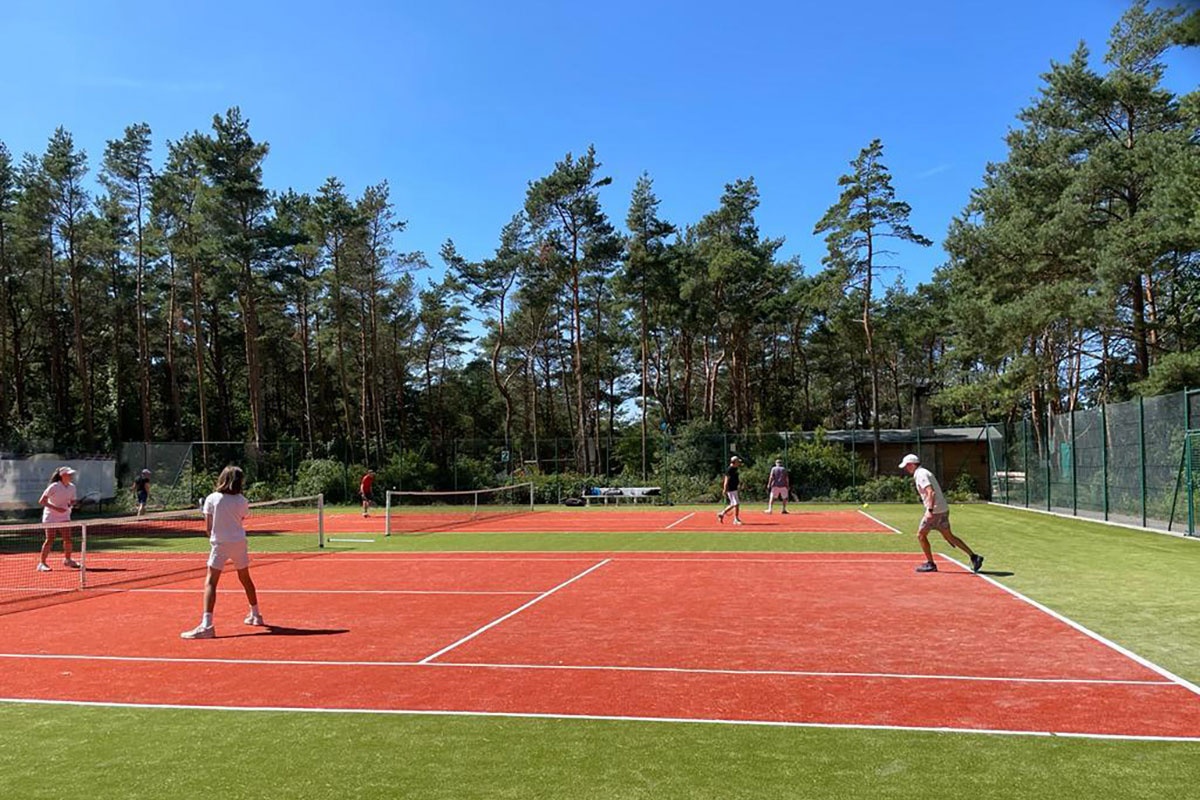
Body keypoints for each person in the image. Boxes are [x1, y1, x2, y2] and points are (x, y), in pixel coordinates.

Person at [181, 465, 265, 639]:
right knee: (245, 578)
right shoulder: (242, 500)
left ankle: (207, 625)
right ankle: (256, 615)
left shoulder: (212, 499)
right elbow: (240, 518)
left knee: (211, 582)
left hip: (220, 544)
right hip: (239, 542)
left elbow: (208, 528)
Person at [899, 454, 984, 574]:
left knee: (921, 535)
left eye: (907, 466)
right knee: (949, 536)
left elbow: (931, 492)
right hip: (942, 509)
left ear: (912, 465)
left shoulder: (921, 474)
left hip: (935, 511)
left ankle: (931, 564)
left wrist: (929, 510)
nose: (906, 469)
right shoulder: (923, 472)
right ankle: (974, 557)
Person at [37, 466, 80, 572]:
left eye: (71, 474)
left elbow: (72, 501)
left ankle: (68, 559)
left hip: (64, 515)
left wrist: (74, 504)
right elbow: (42, 501)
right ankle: (42, 564)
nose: (71, 476)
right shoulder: (54, 486)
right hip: (50, 516)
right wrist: (56, 509)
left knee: (68, 538)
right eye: (69, 474)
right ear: (62, 475)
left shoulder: (72, 487)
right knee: (50, 539)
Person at [717, 455, 744, 525]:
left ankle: (721, 513)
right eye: (738, 462)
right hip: (731, 489)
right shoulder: (729, 469)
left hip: (734, 488)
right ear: (734, 462)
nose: (739, 463)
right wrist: (724, 489)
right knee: (736, 504)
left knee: (733, 504)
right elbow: (726, 480)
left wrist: (739, 485)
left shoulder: (735, 468)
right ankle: (736, 519)